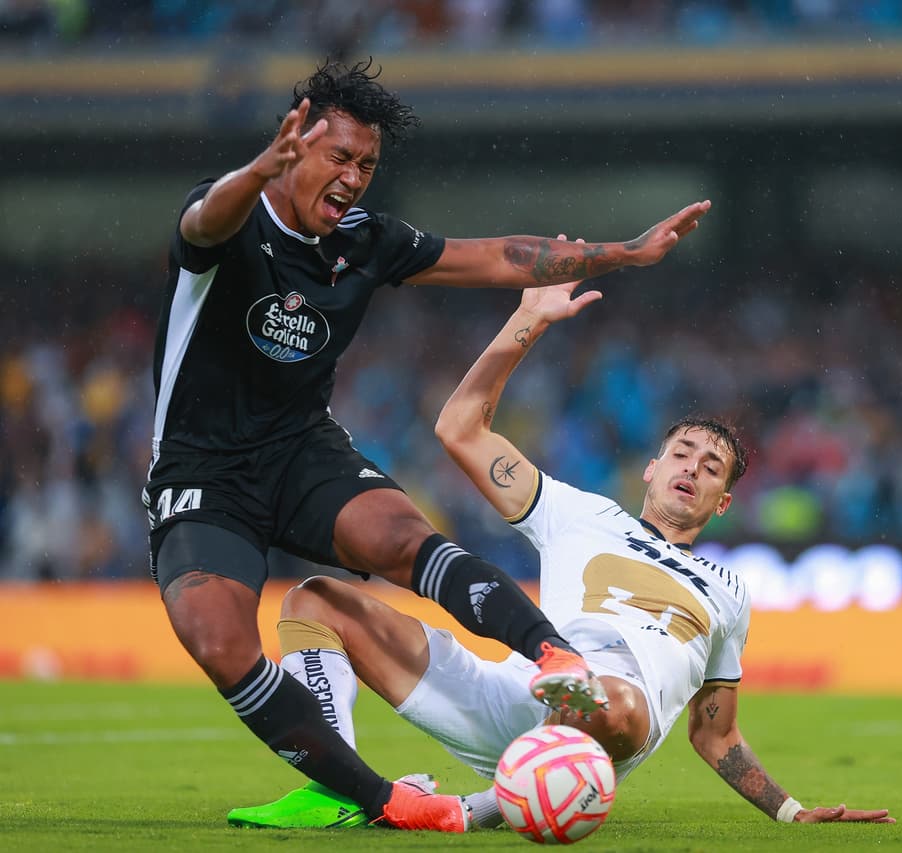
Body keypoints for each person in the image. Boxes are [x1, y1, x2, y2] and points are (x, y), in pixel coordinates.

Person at [145, 58, 710, 832]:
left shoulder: (364, 240)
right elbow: (201, 221)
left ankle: (554, 657)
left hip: (301, 448)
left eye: (366, 165)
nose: (352, 178)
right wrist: (256, 171)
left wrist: (625, 252)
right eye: (337, 157)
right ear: (293, 148)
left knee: (401, 536)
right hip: (201, 470)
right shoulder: (232, 220)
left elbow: (496, 256)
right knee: (215, 637)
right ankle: (382, 799)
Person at [226, 273, 895, 831]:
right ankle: (341, 786)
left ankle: (470, 807)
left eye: (713, 465)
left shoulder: (727, 591)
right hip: (516, 687)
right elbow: (459, 428)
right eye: (682, 453)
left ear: (723, 501)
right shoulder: (580, 514)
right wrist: (528, 320)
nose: (693, 466)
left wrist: (790, 810)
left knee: (621, 703)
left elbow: (714, 734)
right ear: (652, 469)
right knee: (315, 600)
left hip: (609, 720)